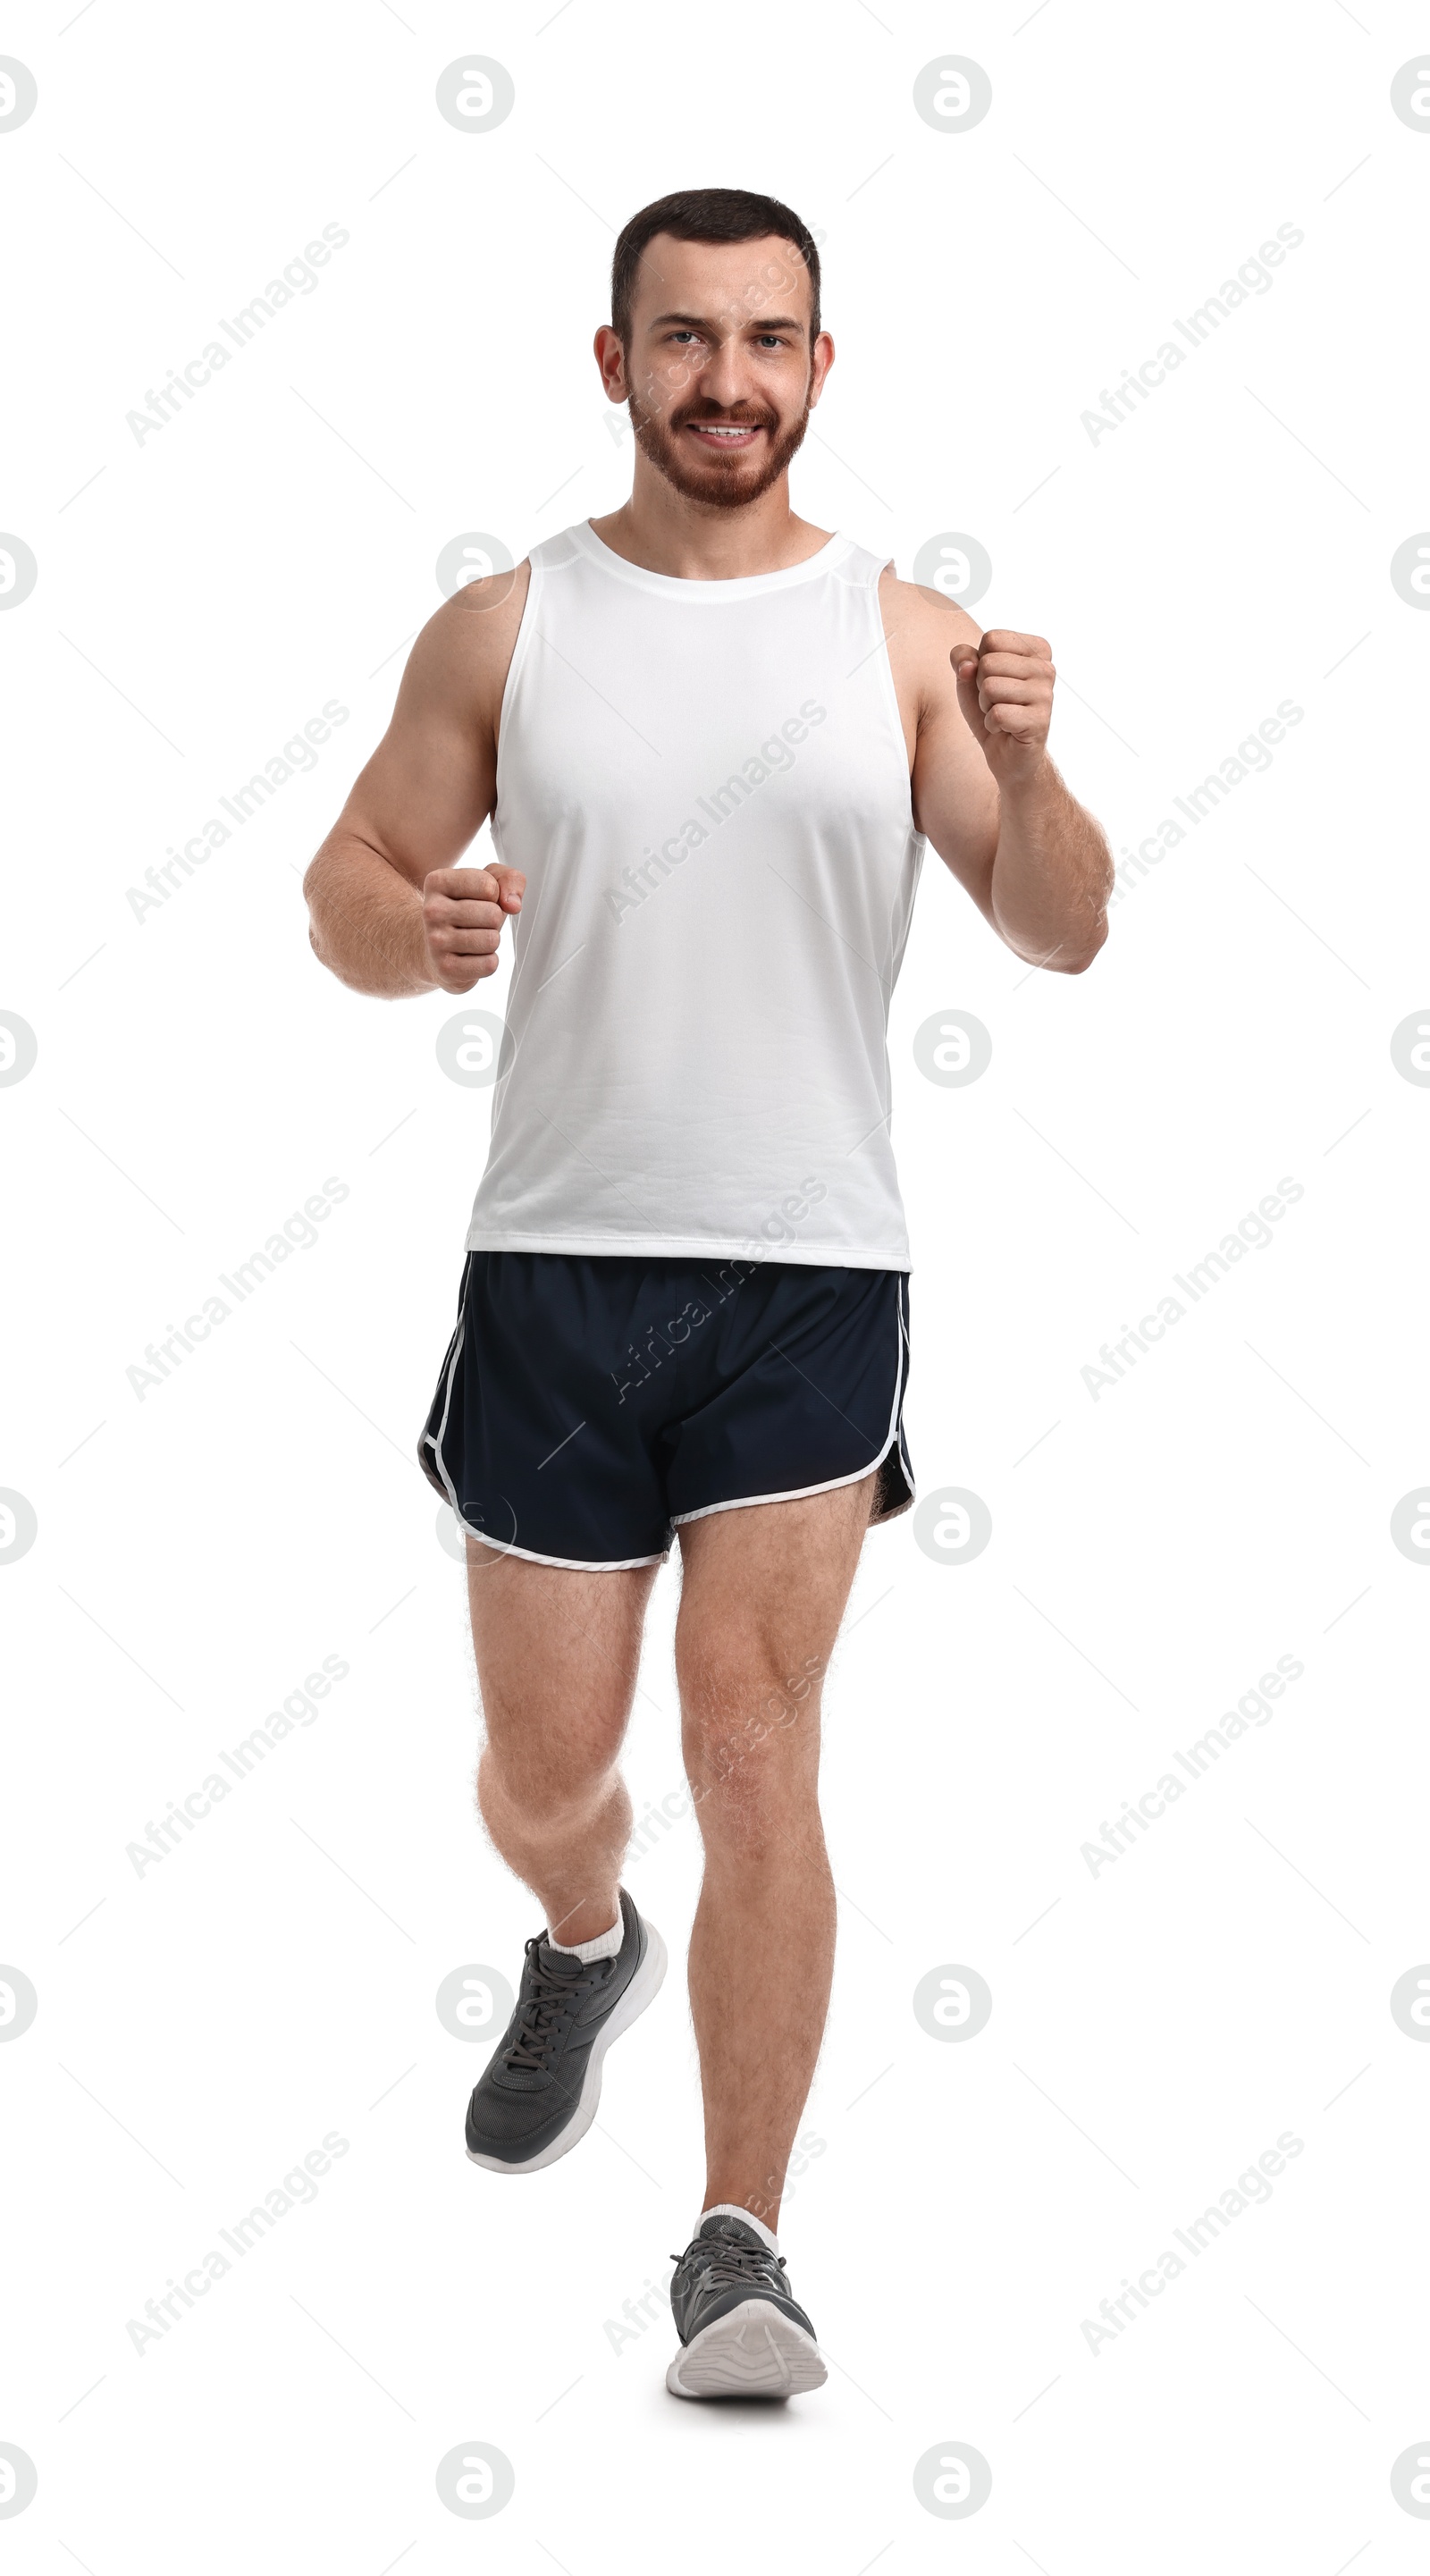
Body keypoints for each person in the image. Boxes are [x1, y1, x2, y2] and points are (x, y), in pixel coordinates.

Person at [304, 186, 1111, 2399]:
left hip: (805, 1265)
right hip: (556, 1263)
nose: (726, 379)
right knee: (547, 1770)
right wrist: (422, 931)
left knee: (751, 1742)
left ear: (821, 370)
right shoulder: (504, 626)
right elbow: (342, 889)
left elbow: (1059, 928)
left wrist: (1028, 768)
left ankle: (734, 2244)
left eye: (767, 340)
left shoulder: (906, 637)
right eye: (683, 339)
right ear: (613, 363)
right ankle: (583, 1933)